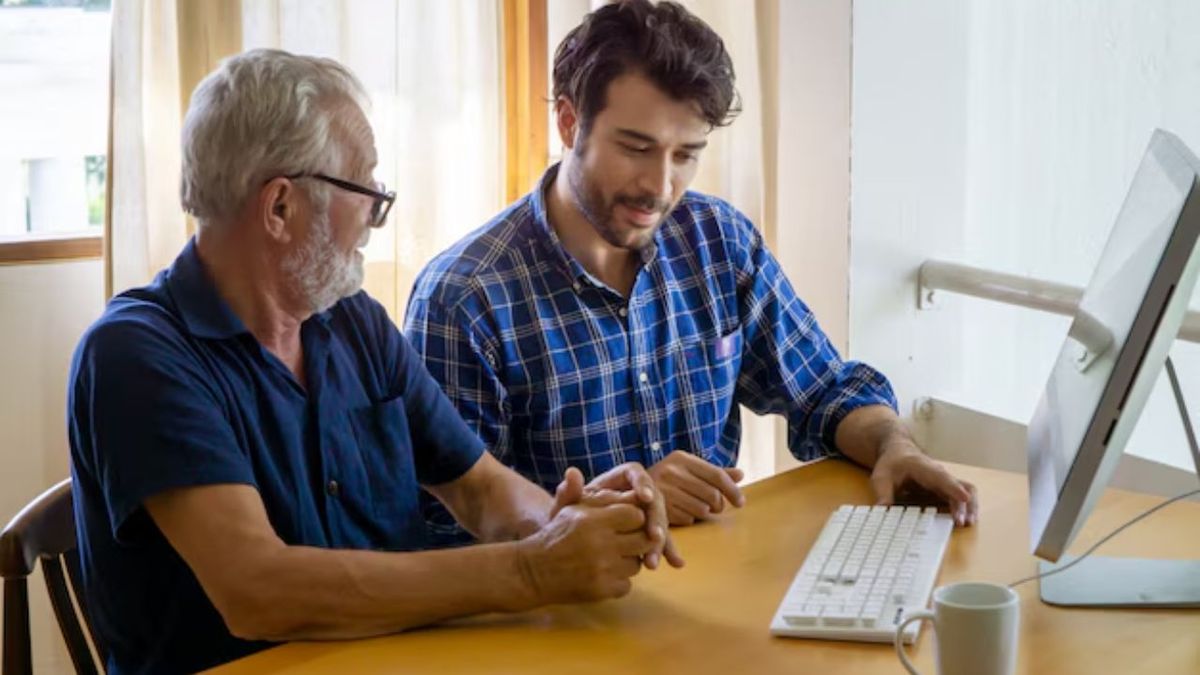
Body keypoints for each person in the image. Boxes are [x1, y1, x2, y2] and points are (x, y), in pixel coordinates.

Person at [67, 49, 679, 675]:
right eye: (366, 190)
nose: (374, 217)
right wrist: (530, 571)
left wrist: (564, 524)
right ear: (280, 207)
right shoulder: (136, 354)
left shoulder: (351, 319)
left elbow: (479, 488)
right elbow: (259, 592)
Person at [405, 0, 979, 545]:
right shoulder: (464, 298)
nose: (660, 188)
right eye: (636, 148)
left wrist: (896, 447)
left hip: (718, 584)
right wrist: (622, 507)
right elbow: (447, 529)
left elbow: (825, 390)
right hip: (563, 607)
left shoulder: (717, 240)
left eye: (685, 155)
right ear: (569, 121)